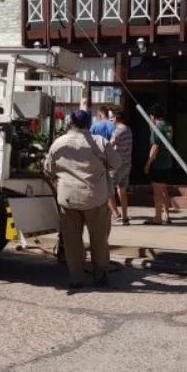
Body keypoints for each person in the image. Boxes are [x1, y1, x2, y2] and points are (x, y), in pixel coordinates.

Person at [44, 109, 121, 289]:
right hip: (95, 197)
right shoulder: (99, 142)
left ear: (71, 123)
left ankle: (76, 278)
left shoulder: (58, 143)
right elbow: (116, 163)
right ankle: (100, 275)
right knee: (99, 239)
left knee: (72, 241)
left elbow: (48, 168)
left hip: (68, 198)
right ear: (89, 124)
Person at [143, 104, 174, 225]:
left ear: (152, 116)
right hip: (168, 161)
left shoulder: (157, 128)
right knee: (164, 189)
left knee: (157, 192)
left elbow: (155, 147)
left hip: (159, 163)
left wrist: (148, 163)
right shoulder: (168, 126)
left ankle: (157, 217)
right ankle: (167, 214)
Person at [108, 110, 133, 225]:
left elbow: (109, 146)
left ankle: (115, 214)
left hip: (117, 164)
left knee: (108, 188)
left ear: (117, 118)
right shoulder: (128, 130)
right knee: (122, 189)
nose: (111, 120)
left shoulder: (117, 131)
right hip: (127, 163)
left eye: (112, 118)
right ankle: (125, 216)